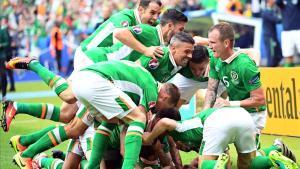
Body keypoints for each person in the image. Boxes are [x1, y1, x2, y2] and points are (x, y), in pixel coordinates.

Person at [1, 8, 184, 133]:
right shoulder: (147, 31)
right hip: (98, 63)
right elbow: (119, 33)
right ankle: (33, 64)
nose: (155, 17)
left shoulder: (159, 41)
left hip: (105, 70)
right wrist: (145, 50)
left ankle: (17, 109)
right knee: (72, 106)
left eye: (158, 13)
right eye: (153, 13)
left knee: (68, 115)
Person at [6, 58, 180, 169]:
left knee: (73, 113)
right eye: (163, 107)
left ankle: (34, 64)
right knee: (138, 118)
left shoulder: (137, 85)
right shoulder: (150, 86)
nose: (158, 110)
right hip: (99, 83)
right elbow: (139, 120)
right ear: (164, 96)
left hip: (85, 76)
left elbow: (111, 121)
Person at [142, 107, 298, 169]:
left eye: (179, 146)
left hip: (217, 120)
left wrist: (150, 137)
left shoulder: (182, 128)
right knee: (247, 165)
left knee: (205, 165)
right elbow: (228, 161)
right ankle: (273, 154)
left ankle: (213, 165)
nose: (180, 147)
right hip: (243, 116)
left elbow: (163, 122)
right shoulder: (205, 142)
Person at [203, 22, 266, 148]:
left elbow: (259, 100)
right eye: (209, 42)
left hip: (253, 113)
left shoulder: (245, 65)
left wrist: (230, 104)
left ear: (226, 43)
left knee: (250, 163)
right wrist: (205, 114)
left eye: (213, 43)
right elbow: (211, 90)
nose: (209, 46)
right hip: (235, 111)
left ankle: (277, 148)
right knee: (215, 137)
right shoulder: (216, 58)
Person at [276, 0, 300, 67]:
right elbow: (278, 2)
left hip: (298, 30)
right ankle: (289, 75)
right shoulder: (282, 2)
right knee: (288, 55)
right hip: (286, 32)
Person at [261, 0, 282, 67]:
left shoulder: (272, 10)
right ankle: (269, 73)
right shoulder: (265, 12)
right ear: (268, 1)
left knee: (278, 54)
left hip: (273, 36)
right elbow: (276, 20)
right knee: (271, 55)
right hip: (269, 37)